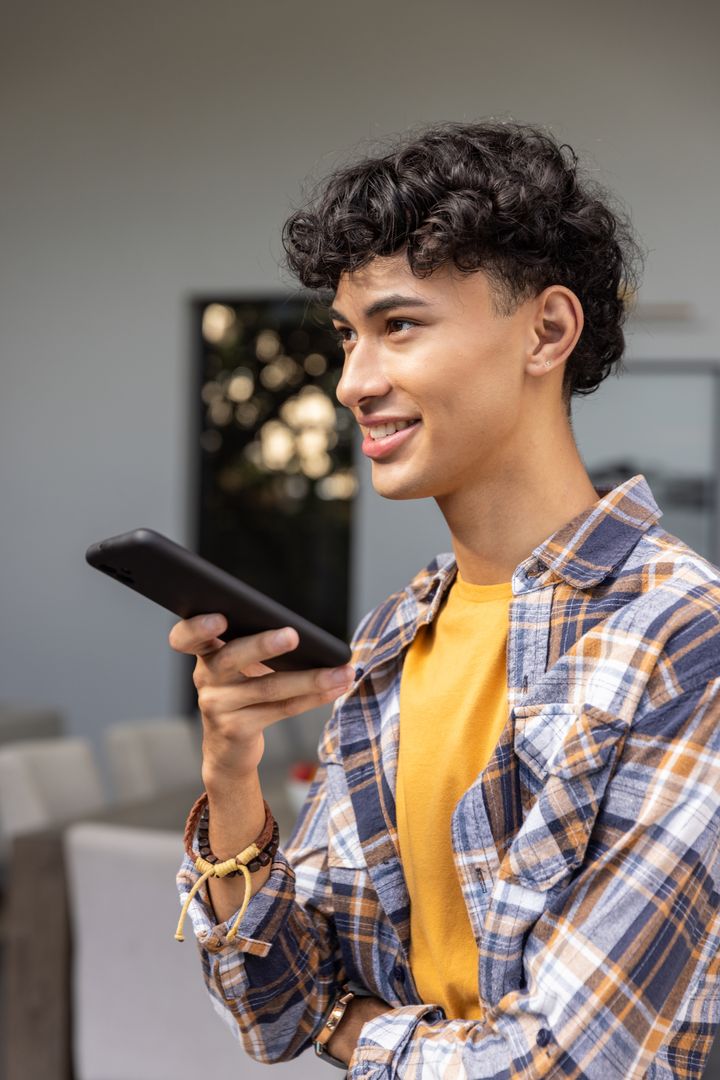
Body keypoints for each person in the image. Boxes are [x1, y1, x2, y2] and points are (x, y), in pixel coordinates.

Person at [174, 122, 720, 1078]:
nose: (352, 382)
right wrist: (231, 779)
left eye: (400, 325)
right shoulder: (395, 634)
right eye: (347, 336)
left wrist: (350, 1028)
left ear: (546, 331)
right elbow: (275, 1010)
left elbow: (556, 1062)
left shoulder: (682, 635)